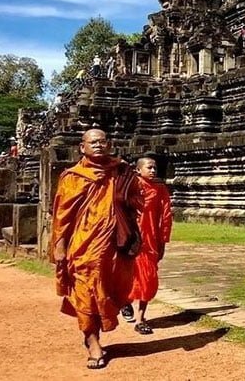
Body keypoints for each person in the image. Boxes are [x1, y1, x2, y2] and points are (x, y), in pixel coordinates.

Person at [50, 129, 143, 369]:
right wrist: (59, 245)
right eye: (93, 142)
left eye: (102, 141)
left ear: (109, 145)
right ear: (82, 147)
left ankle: (95, 330)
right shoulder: (73, 177)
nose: (98, 145)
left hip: (114, 246)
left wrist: (128, 197)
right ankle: (92, 342)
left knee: (109, 290)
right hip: (83, 246)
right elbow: (62, 215)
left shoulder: (121, 171)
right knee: (85, 291)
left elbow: (137, 200)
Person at [121, 157, 172, 334]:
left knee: (148, 278)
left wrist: (163, 240)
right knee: (128, 276)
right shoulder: (129, 186)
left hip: (150, 240)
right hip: (130, 238)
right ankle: (125, 302)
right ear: (138, 170)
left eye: (155, 168)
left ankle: (140, 319)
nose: (153, 171)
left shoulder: (160, 189)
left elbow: (166, 216)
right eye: (149, 168)